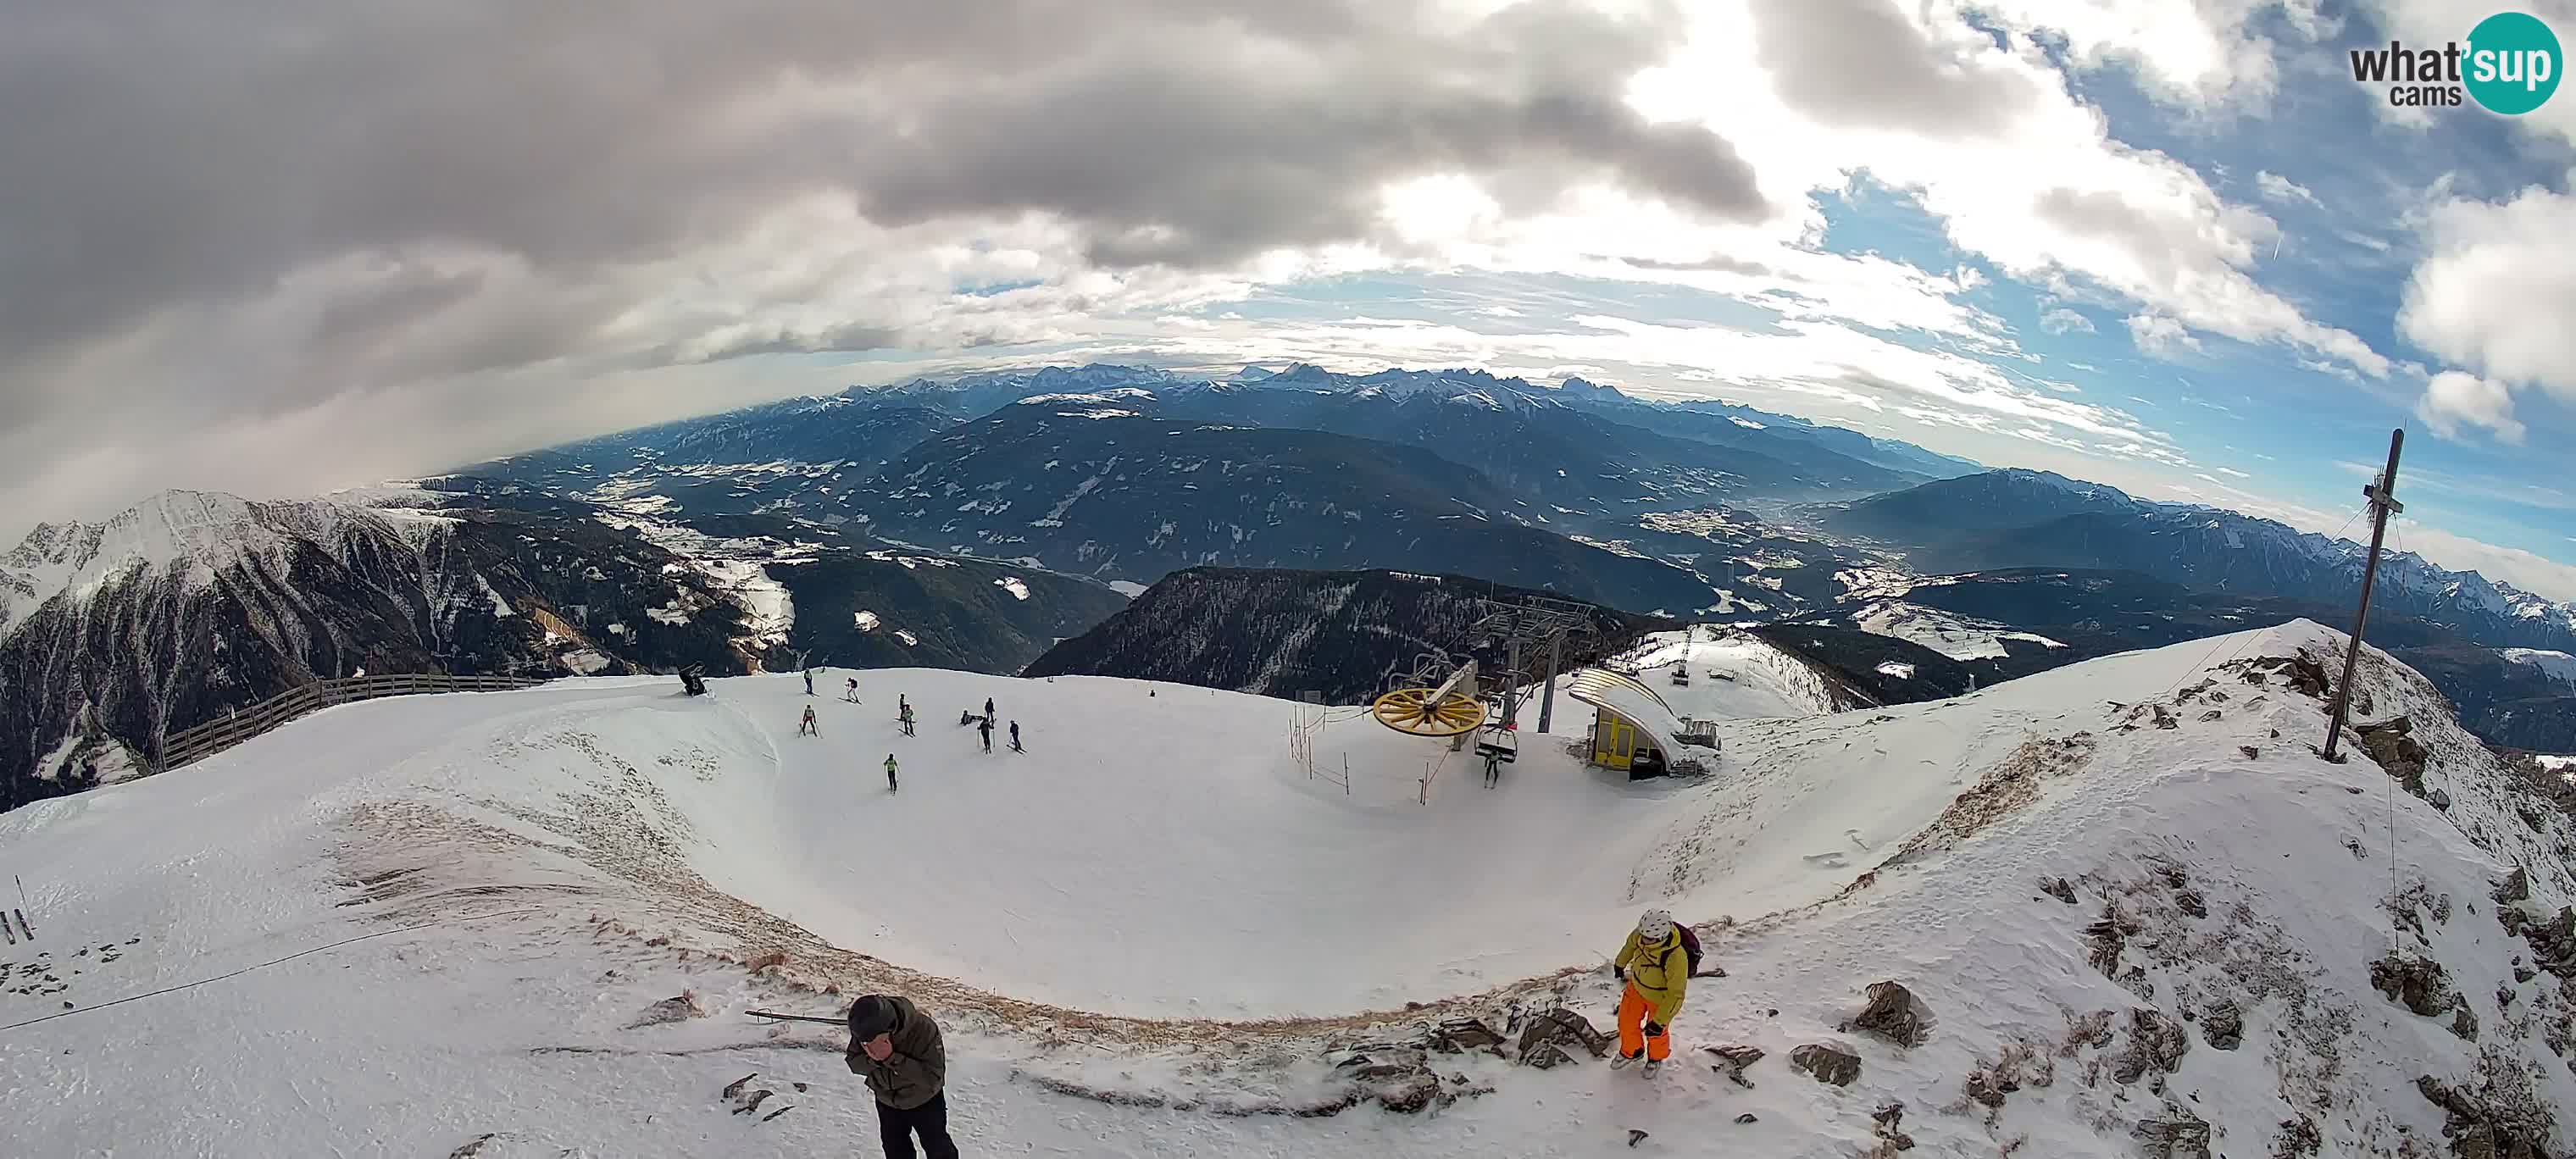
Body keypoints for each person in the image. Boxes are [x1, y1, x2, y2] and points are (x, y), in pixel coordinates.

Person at [845, 994, 958, 1159]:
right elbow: (854, 1063)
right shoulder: (866, 1029)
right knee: (896, 1150)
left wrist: (890, 1058)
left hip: (924, 1101)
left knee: (938, 1148)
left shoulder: (924, 1030)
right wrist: (873, 1059)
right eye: (864, 1042)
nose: (866, 1045)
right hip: (887, 1101)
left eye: (871, 1042)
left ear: (889, 1028)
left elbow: (932, 1078)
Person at [1608, 908, 1690, 1078]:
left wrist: (1660, 1022)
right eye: (1642, 935)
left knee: (1656, 1034)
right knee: (1626, 1023)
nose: (1643, 940)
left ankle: (1655, 1058)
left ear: (1661, 937)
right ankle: (1632, 1051)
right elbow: (1630, 945)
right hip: (1636, 988)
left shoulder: (1676, 957)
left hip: (1660, 999)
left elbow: (1676, 994)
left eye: (1648, 939)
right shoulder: (1641, 933)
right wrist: (1620, 963)